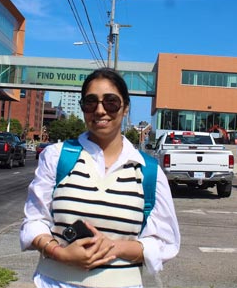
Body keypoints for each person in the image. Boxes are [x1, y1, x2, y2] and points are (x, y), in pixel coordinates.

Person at [20, 68, 180, 288]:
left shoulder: (147, 170)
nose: (100, 110)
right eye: (90, 102)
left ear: (125, 108)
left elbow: (163, 242)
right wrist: (59, 253)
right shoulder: (57, 157)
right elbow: (35, 220)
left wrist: (114, 247)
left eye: (111, 102)